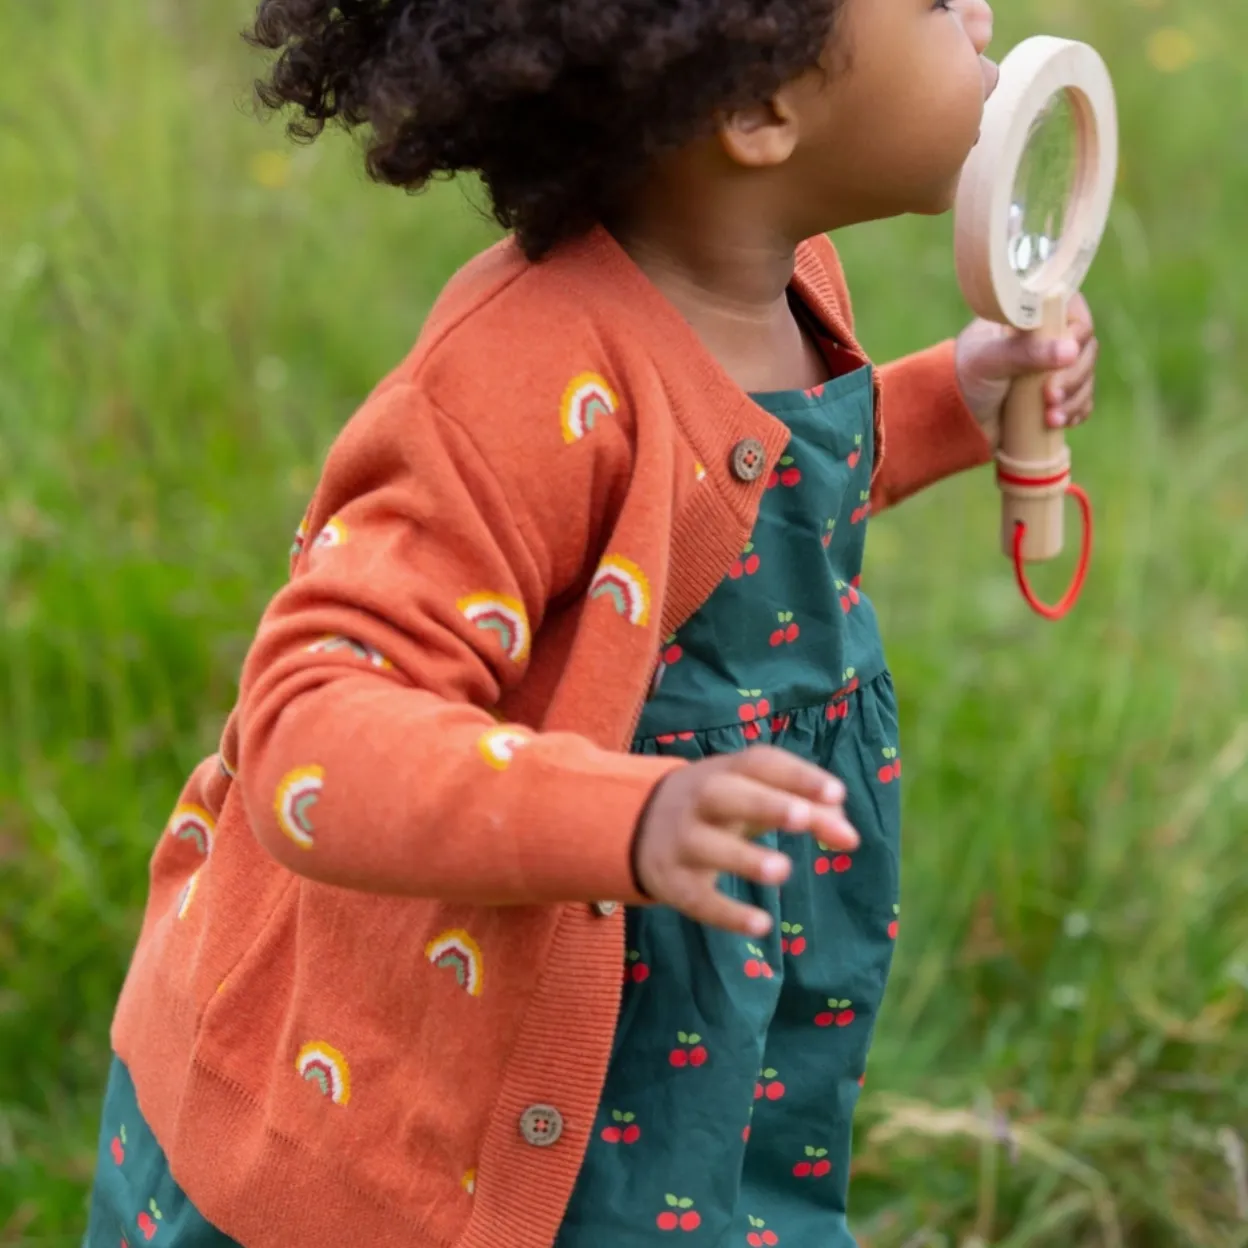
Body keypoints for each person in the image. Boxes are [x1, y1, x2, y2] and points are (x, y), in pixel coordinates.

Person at [84, 0, 1099, 1244]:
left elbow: (739, 507)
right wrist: (625, 812)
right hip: (440, 1070)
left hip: (677, 1014)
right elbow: (307, 725)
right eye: (935, 6)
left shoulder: (780, 286)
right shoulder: (513, 386)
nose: (980, 11)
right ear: (758, 113)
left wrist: (956, 397)